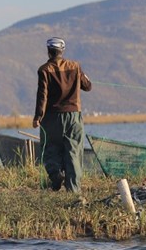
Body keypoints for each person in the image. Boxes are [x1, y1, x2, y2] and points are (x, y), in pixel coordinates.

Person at [32, 37, 92, 193]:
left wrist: (38, 117)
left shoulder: (44, 70)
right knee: (73, 151)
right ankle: (73, 190)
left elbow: (42, 95)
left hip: (51, 117)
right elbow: (88, 86)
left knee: (50, 148)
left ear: (48, 51)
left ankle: (56, 175)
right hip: (74, 116)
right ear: (62, 51)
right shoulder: (75, 66)